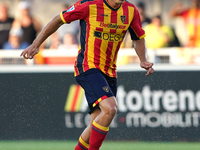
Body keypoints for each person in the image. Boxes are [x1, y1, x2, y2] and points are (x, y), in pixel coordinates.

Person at [20, 0, 154, 149]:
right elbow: (58, 19)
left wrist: (143, 59)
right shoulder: (89, 5)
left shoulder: (131, 11)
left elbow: (138, 37)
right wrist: (36, 44)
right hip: (88, 66)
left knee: (96, 123)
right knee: (110, 109)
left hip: (109, 71)